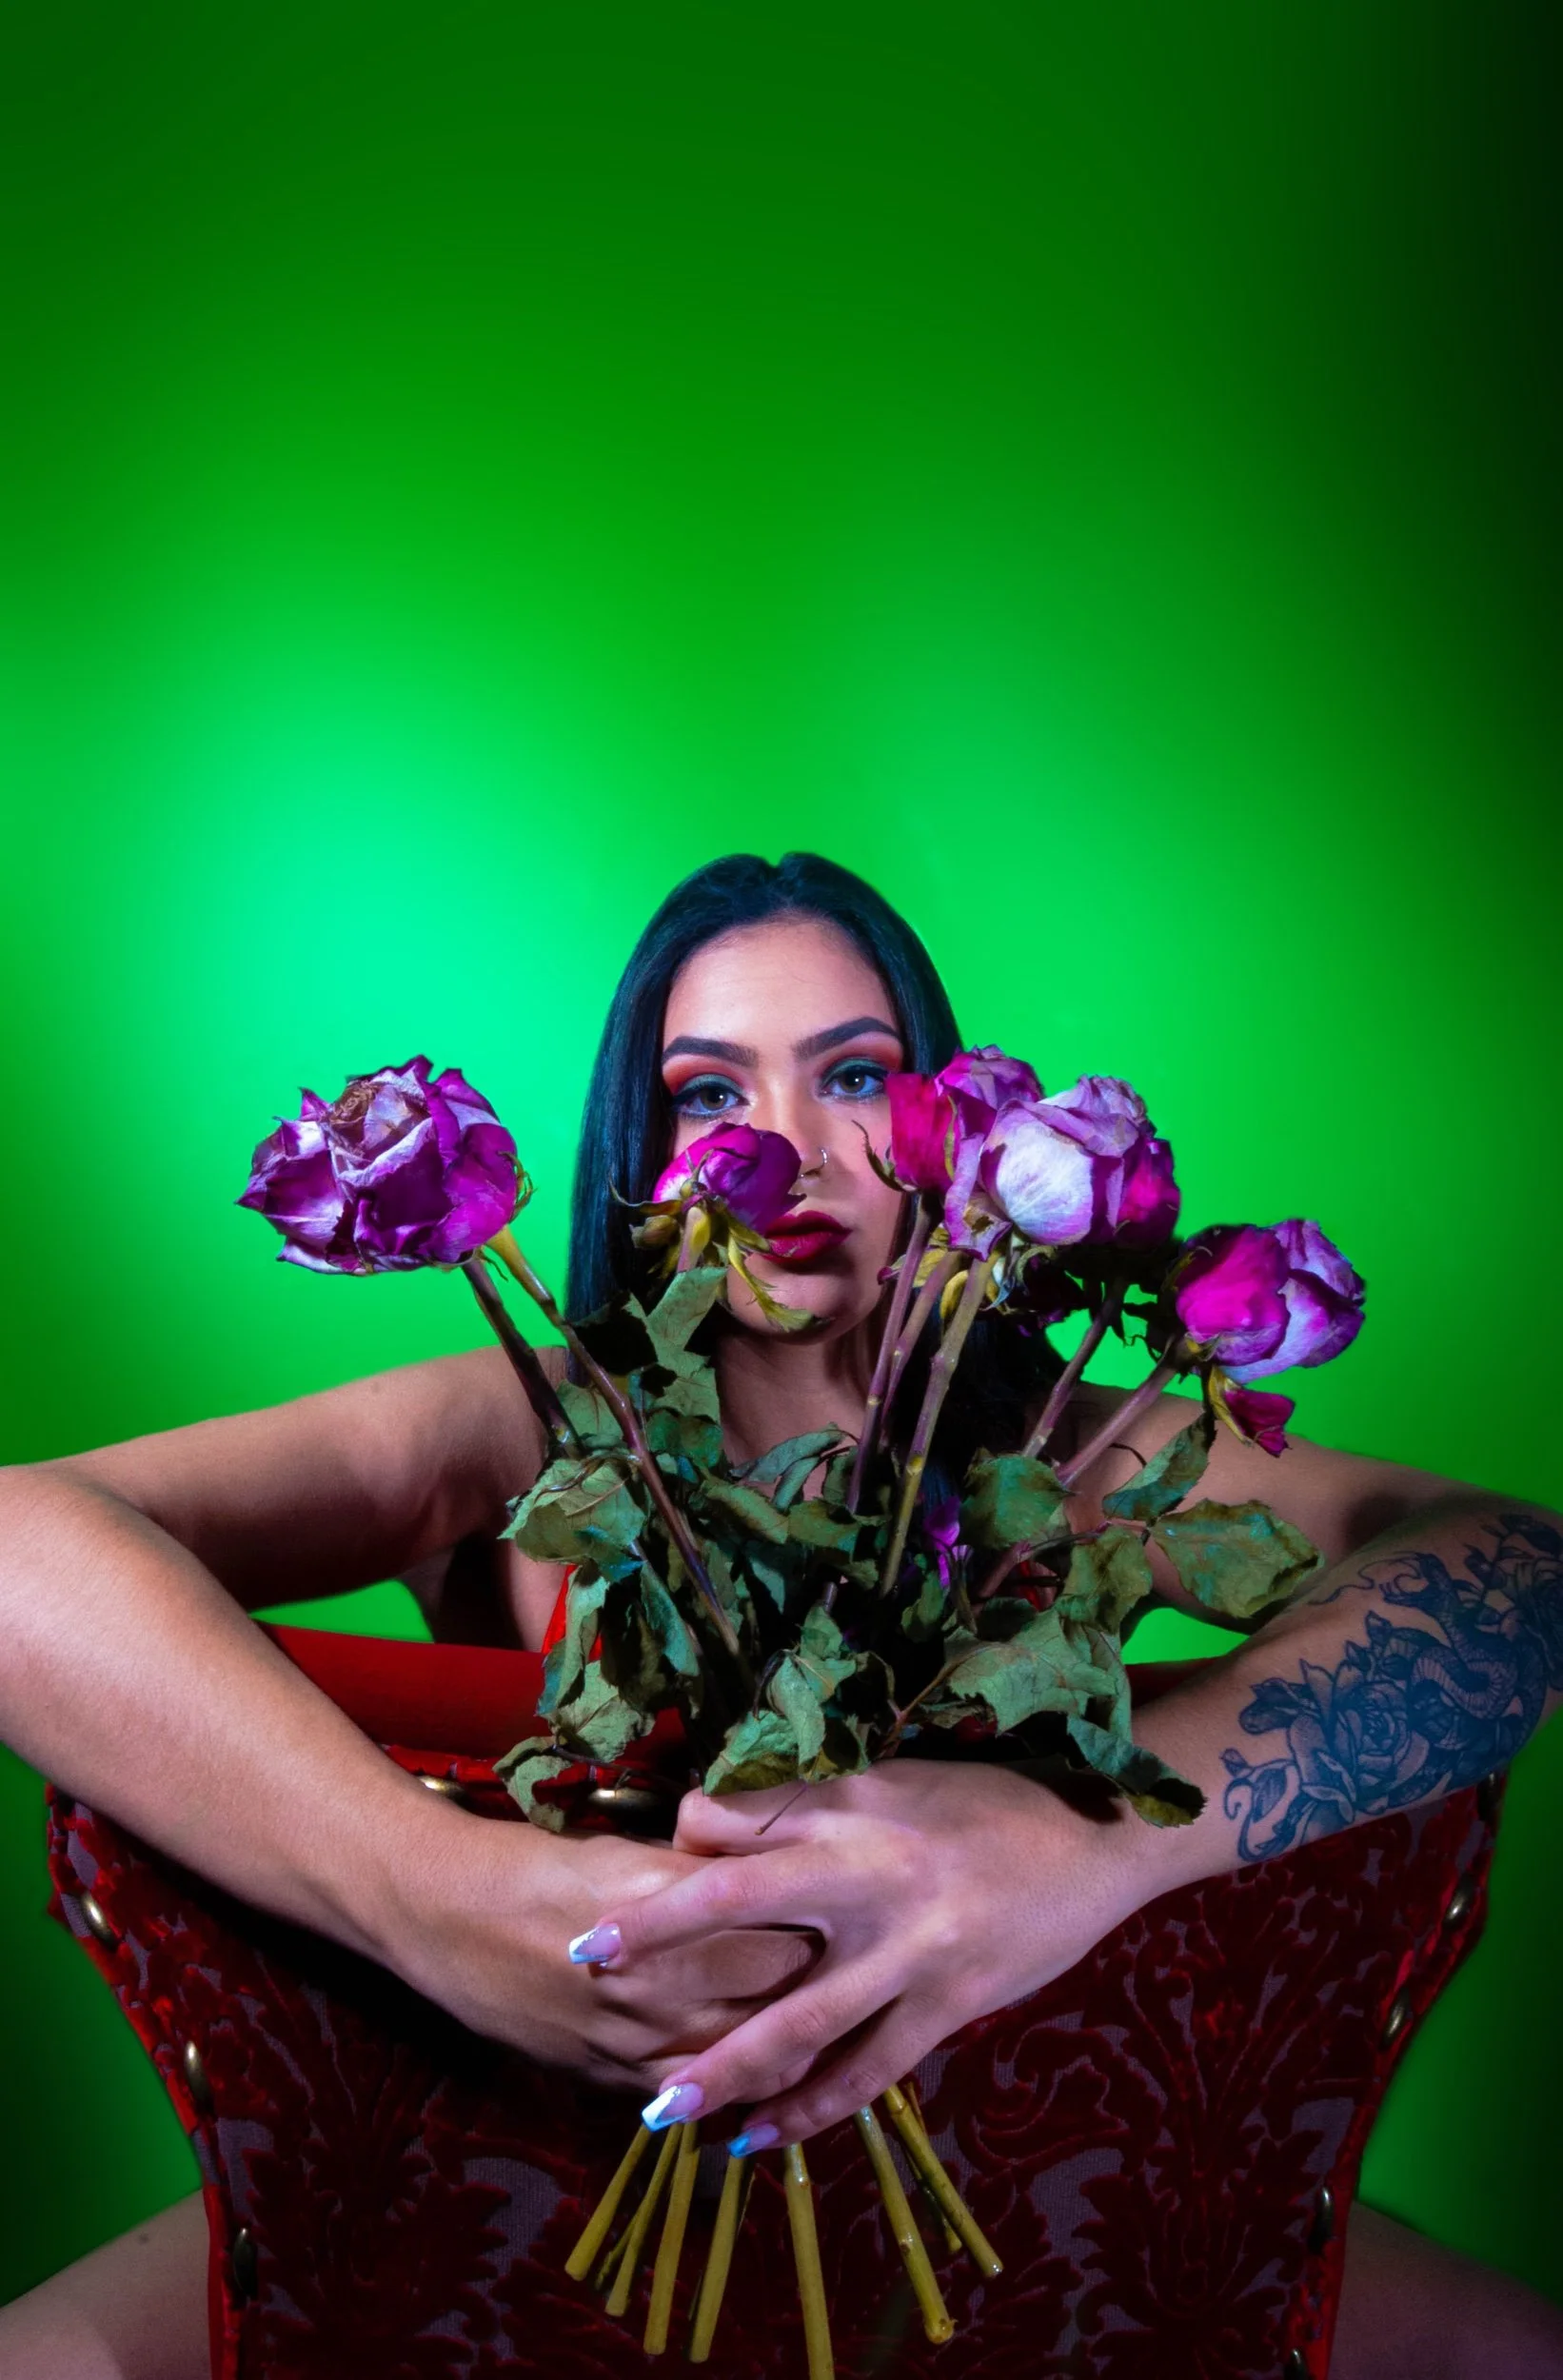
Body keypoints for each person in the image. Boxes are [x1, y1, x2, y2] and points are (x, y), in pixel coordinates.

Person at [1, 851, 1560, 2379]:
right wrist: (430, 1891)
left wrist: (1091, 1845)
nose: (791, 1145)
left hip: (1006, 2239)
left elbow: (1519, 1574)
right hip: (524, 2212)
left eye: (857, 1076)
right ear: (639, 1142)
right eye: (708, 1092)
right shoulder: (532, 1431)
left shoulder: (1079, 1453)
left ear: (952, 1120)